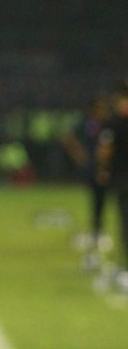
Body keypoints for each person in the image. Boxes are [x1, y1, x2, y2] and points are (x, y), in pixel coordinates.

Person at [61, 95, 111, 269]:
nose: (102, 112)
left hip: (107, 168)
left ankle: (98, 231)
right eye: (99, 108)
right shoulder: (85, 124)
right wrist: (79, 154)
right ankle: (96, 231)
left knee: (103, 200)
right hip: (94, 169)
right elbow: (67, 137)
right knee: (97, 199)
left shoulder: (107, 124)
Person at [97, 83, 128, 292]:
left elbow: (105, 149)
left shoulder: (112, 123)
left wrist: (103, 169)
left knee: (125, 221)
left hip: (122, 178)